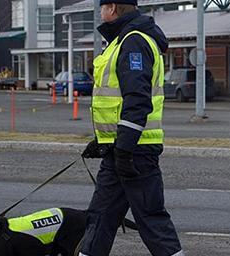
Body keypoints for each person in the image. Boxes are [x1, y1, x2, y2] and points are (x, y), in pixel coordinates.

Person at [79, 0, 184, 256]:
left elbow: (137, 100)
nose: (100, 13)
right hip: (121, 149)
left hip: (134, 152)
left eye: (102, 7)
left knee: (150, 219)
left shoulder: (133, 41)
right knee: (100, 216)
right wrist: (105, 140)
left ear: (112, 8)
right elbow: (116, 101)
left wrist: (124, 148)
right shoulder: (122, 40)